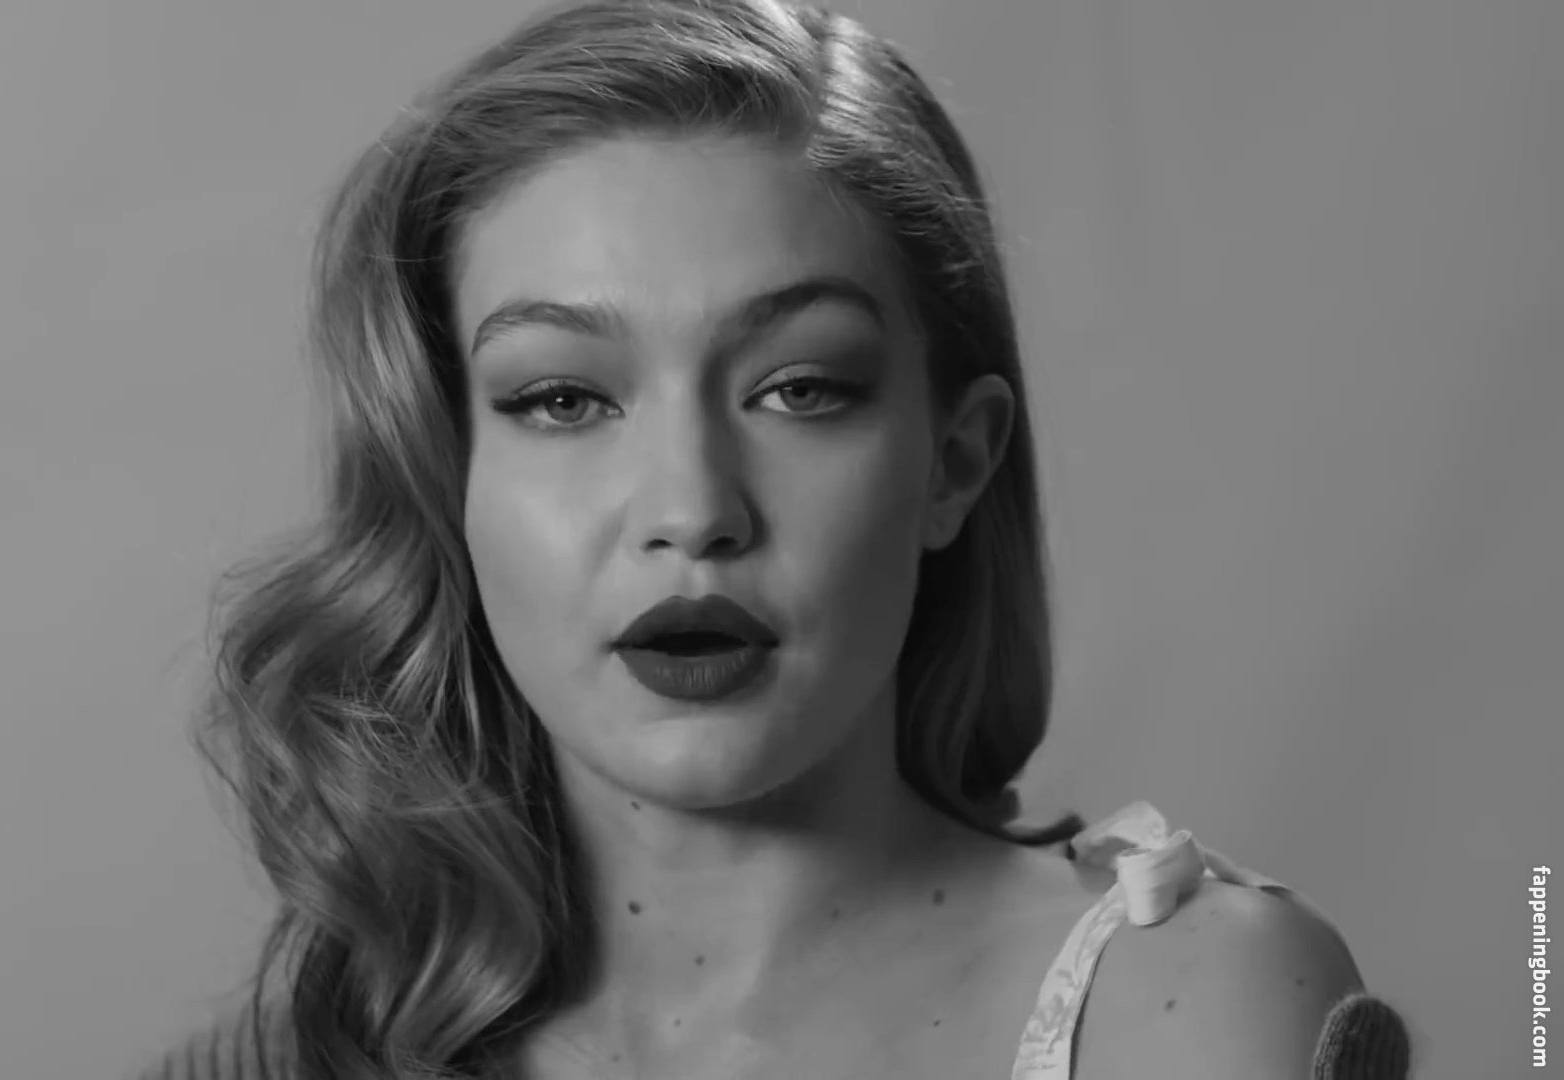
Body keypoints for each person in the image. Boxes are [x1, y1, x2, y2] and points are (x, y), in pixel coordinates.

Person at [137, 1, 1404, 1077]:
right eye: (564, 400)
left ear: (955, 462)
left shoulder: (1191, 1010)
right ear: (447, 474)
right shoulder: (301, 1052)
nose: (693, 509)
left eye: (801, 389)